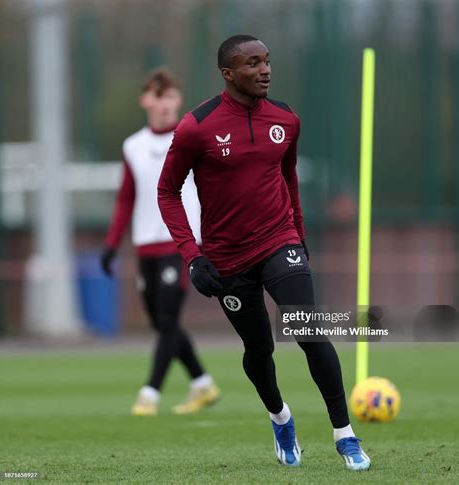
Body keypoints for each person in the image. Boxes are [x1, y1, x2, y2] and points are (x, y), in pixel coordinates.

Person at [158, 35, 371, 470]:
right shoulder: (196, 127)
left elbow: (288, 177)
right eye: (252, 63)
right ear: (228, 73)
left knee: (310, 331)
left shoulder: (286, 119)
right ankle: (280, 418)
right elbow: (167, 192)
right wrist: (193, 257)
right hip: (226, 259)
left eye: (267, 61)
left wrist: (299, 233)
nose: (265, 70)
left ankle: (345, 435)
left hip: (279, 241)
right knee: (259, 350)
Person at [100, 67, 220, 417]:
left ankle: (149, 393)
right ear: (145, 100)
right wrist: (111, 244)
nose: (165, 103)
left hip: (180, 244)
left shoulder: (191, 139)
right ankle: (202, 383)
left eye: (171, 96)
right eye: (158, 95)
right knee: (161, 321)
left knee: (167, 318)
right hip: (145, 246)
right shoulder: (133, 146)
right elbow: (126, 198)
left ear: (178, 100)